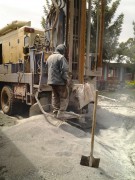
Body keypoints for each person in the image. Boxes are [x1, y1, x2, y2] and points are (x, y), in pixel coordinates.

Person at [46, 44, 69, 119]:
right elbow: (64, 71)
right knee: (64, 97)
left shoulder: (49, 57)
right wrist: (66, 80)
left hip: (51, 82)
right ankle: (61, 113)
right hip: (60, 82)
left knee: (55, 96)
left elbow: (47, 68)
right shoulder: (61, 57)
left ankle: (55, 112)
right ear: (62, 50)